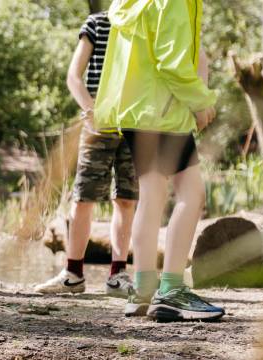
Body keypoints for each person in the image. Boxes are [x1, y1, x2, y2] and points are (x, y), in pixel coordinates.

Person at [94, 0, 223, 322]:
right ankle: (172, 290)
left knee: (152, 197)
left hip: (136, 111)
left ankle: (143, 289)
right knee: (192, 195)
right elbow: (172, 61)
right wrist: (200, 101)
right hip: (164, 111)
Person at [35, 11, 137, 297]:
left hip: (134, 124)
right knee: (83, 198)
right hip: (97, 126)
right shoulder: (97, 23)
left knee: (127, 199)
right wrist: (92, 112)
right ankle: (73, 274)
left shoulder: (144, 23)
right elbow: (73, 76)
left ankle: (118, 275)